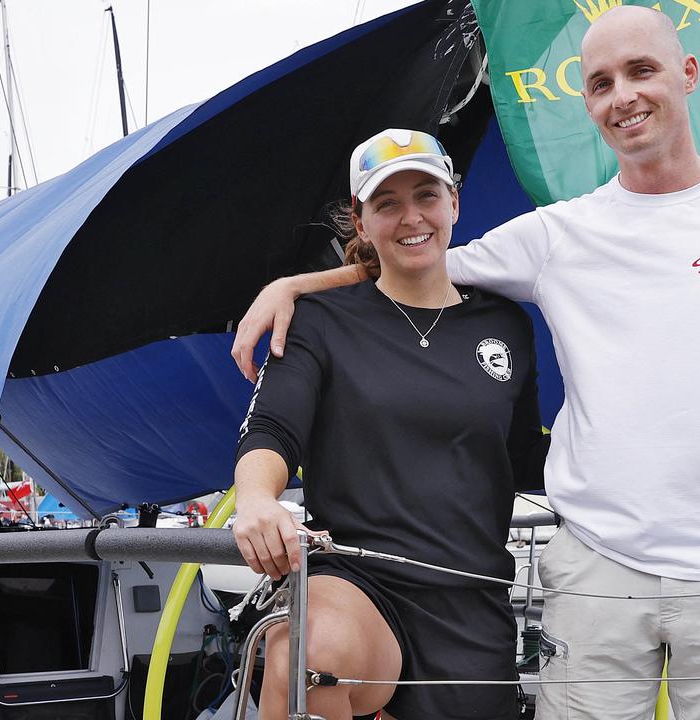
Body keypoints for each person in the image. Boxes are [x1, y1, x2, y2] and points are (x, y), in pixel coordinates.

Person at [230, 8, 700, 719]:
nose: (624, 96)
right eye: (602, 82)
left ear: (688, 73)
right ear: (587, 102)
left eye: (641, 71)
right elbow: (414, 265)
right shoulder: (556, 234)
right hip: (598, 569)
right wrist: (295, 287)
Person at [232, 129, 547, 720]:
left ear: (453, 201)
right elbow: (272, 426)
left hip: (471, 598)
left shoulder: (508, 324)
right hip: (356, 584)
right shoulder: (317, 321)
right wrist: (255, 499)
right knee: (307, 657)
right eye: (387, 203)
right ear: (360, 218)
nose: (411, 217)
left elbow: (526, 457)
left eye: (426, 195)